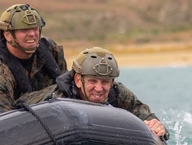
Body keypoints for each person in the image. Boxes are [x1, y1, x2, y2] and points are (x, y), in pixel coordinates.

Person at [19, 47, 168, 139]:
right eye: (92, 81)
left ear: (112, 82)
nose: (99, 88)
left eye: (105, 82)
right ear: (78, 80)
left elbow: (142, 113)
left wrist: (156, 126)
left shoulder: (118, 93)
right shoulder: (58, 100)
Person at [0, 3, 66, 122]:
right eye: (24, 30)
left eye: (35, 28)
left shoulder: (50, 50)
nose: (32, 34)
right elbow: (2, 124)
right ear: (8, 35)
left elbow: (65, 87)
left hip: (35, 113)